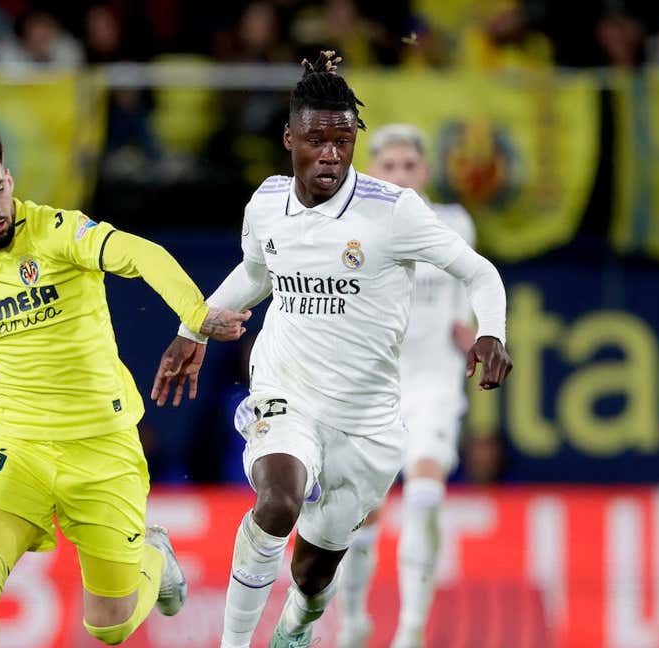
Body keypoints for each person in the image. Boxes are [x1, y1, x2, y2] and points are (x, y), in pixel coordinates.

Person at [152, 52, 512, 648]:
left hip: (367, 423)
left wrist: (491, 331)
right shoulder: (267, 203)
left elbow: (481, 275)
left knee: (312, 574)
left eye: (342, 140)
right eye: (315, 139)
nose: (329, 154)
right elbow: (254, 271)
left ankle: (299, 623)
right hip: (287, 389)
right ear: (289, 137)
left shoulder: (393, 212)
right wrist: (193, 327)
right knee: (278, 502)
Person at [0, 127, 249, 646]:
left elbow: (140, 254)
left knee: (107, 627)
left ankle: (154, 558)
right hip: (18, 451)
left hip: (102, 447)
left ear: (9, 178)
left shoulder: (60, 231)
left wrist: (195, 314)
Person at [334, 123, 480, 648]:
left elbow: (471, 294)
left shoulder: (456, 224)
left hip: (433, 385)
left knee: (423, 495)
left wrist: (479, 330)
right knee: (360, 515)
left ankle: (412, 627)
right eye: (389, 167)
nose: (400, 175)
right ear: (373, 172)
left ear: (425, 171)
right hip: (373, 389)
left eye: (409, 166)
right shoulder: (349, 226)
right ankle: (353, 619)